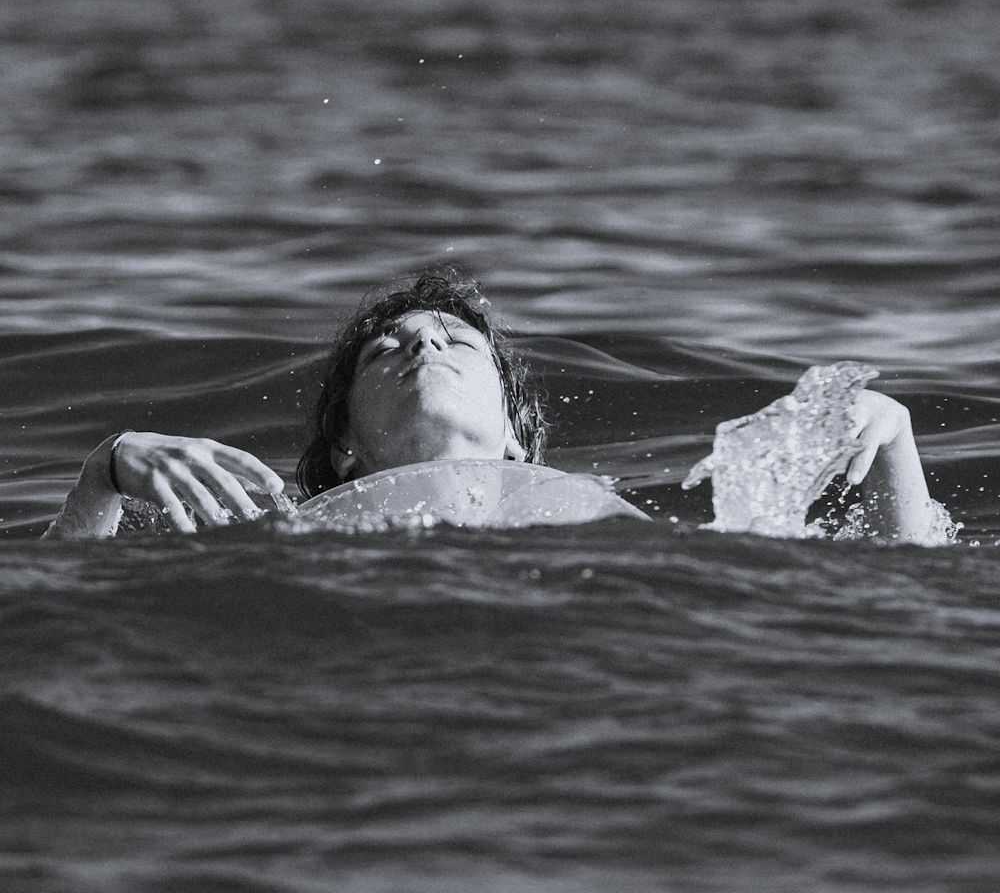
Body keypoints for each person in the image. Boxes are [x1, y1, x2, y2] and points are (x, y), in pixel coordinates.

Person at [42, 270, 940, 543]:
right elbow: (58, 617)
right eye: (384, 351)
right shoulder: (289, 523)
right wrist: (103, 475)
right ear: (345, 444)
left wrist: (893, 436)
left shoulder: (607, 509)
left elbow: (902, 581)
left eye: (454, 342)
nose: (422, 344)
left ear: (517, 433)